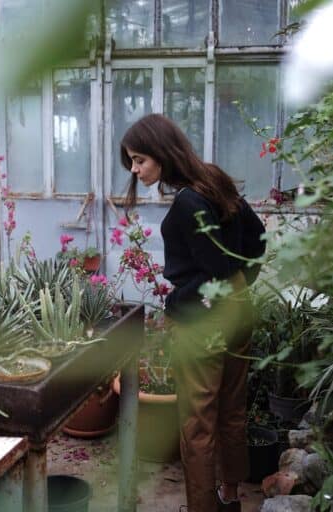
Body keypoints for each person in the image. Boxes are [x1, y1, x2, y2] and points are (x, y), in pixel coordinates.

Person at [120, 114, 266, 512]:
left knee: (198, 424)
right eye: (132, 161)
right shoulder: (213, 180)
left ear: (162, 153)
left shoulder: (188, 201)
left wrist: (177, 303)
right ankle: (230, 497)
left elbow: (214, 270)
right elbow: (257, 241)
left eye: (139, 160)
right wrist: (241, 285)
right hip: (238, 316)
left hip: (202, 326)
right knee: (232, 412)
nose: (134, 169)